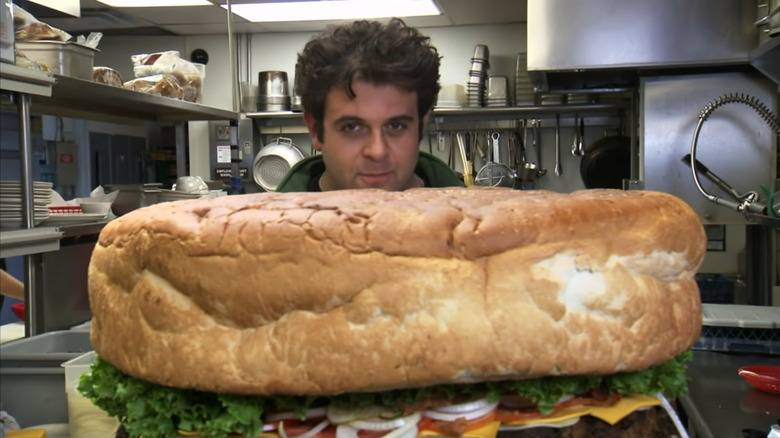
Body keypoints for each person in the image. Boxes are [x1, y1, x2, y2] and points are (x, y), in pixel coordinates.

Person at [276, 18, 465, 192]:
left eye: (396, 126)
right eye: (351, 127)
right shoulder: (272, 226)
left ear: (421, 126)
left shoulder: (475, 222)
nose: (377, 151)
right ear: (315, 130)